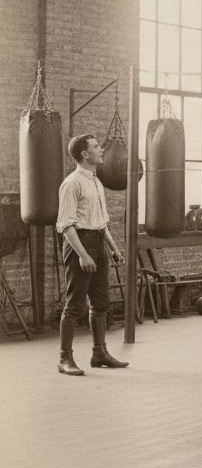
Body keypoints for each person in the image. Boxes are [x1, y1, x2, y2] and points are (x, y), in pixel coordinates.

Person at [55, 133, 128, 375]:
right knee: (75, 304)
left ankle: (99, 353)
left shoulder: (96, 182)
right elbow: (66, 225)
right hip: (80, 244)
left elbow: (101, 222)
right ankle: (64, 359)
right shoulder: (72, 183)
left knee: (101, 303)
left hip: (97, 242)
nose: (102, 150)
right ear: (85, 154)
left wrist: (114, 248)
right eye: (97, 147)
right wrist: (83, 255)